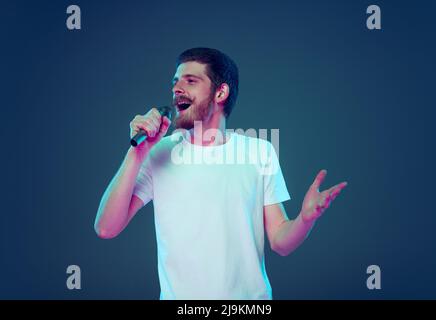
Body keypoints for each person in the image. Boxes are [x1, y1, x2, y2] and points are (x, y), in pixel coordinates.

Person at [94, 47, 347, 300]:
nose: (177, 89)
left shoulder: (259, 151)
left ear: (221, 92)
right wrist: (137, 153)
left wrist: (305, 218)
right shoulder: (159, 152)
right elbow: (106, 228)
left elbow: (281, 242)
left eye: (190, 81)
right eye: (175, 82)